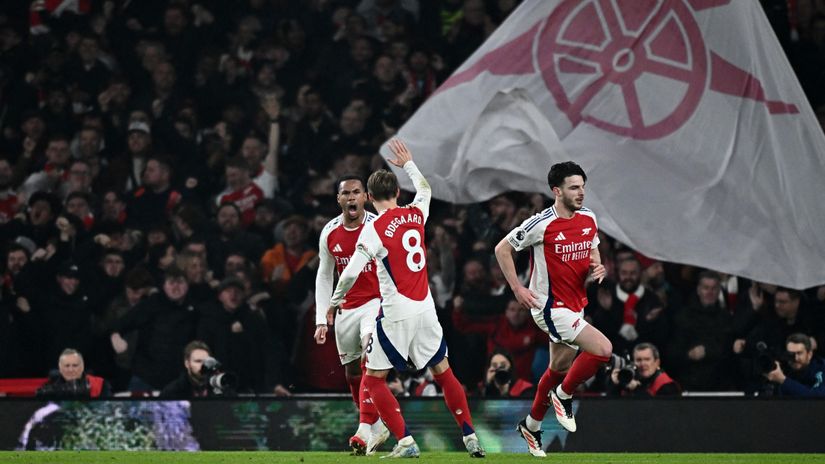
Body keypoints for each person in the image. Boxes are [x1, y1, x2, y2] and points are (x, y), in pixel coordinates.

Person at [326, 139, 485, 458]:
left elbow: (349, 274)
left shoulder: (374, 229)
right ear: (398, 192)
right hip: (427, 310)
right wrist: (409, 164)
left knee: (371, 380)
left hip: (397, 314)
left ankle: (406, 441)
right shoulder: (416, 213)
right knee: (444, 372)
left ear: (369, 198)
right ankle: (470, 436)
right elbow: (424, 189)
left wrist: (333, 303)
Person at [495, 160, 611, 458]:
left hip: (575, 305)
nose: (581, 192)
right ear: (556, 191)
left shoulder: (588, 218)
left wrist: (597, 267)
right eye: (574, 187)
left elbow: (592, 247)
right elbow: (502, 249)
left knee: (557, 369)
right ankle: (564, 396)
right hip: (548, 307)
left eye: (583, 186)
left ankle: (531, 425)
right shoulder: (540, 223)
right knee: (602, 350)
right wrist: (518, 288)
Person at [314, 173, 386, 455]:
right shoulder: (329, 232)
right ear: (339, 199)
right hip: (346, 308)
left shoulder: (378, 226)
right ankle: (375, 422)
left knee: (370, 358)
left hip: (376, 303)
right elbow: (324, 275)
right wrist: (322, 318)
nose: (351, 197)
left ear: (366, 197)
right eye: (346, 193)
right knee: (352, 369)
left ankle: (363, 429)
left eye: (357, 192)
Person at [607, 343, 680, 396]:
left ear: (657, 362)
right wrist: (615, 385)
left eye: (647, 359)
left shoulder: (667, 386)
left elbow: (655, 410)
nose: (642, 364)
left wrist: (636, 388)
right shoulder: (629, 378)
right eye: (638, 360)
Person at [36, 349, 111, 398]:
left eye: (75, 365)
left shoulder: (100, 384)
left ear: (82, 367)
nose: (71, 370)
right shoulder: (49, 386)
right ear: (60, 368)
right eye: (67, 366)